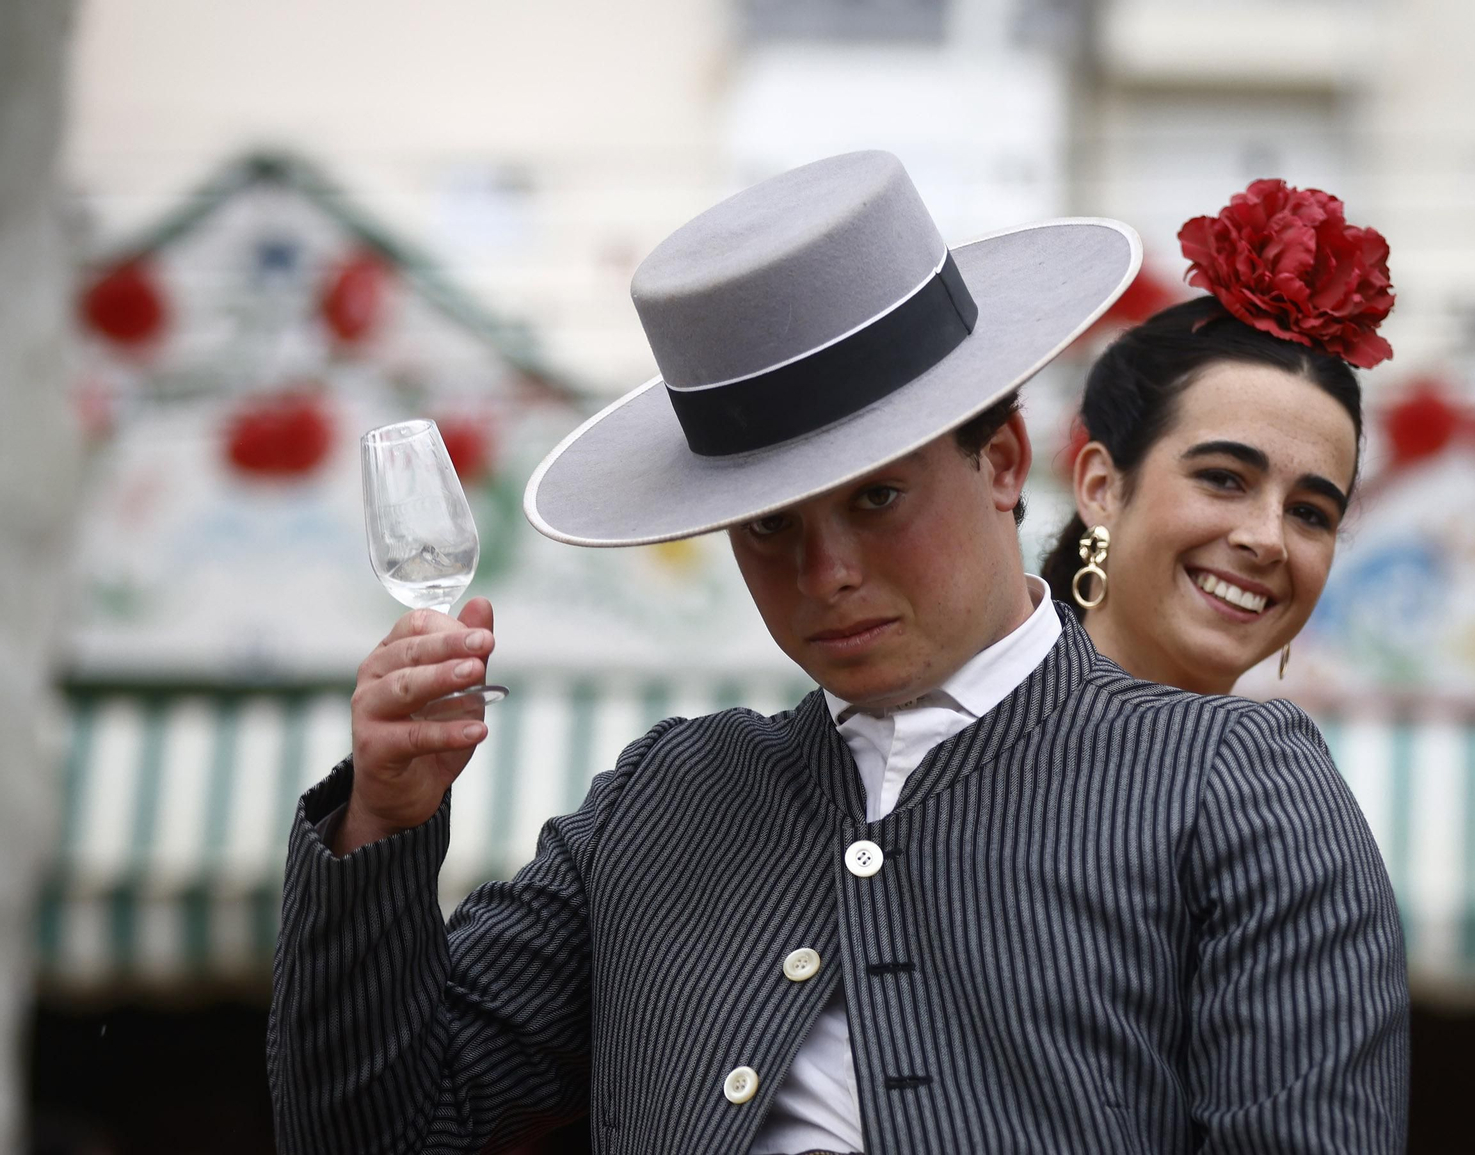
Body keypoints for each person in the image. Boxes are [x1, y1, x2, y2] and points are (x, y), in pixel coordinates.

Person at [268, 153, 1408, 1155]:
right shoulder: (667, 797)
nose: (827, 575)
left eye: (877, 499)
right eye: (769, 525)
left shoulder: (1227, 783)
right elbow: (380, 1130)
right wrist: (384, 822)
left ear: (1003, 462)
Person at [1042, 179, 1391, 696]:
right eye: (1224, 479)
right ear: (1101, 487)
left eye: (1310, 513)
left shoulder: (1282, 772)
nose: (1268, 540)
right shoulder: (952, 755)